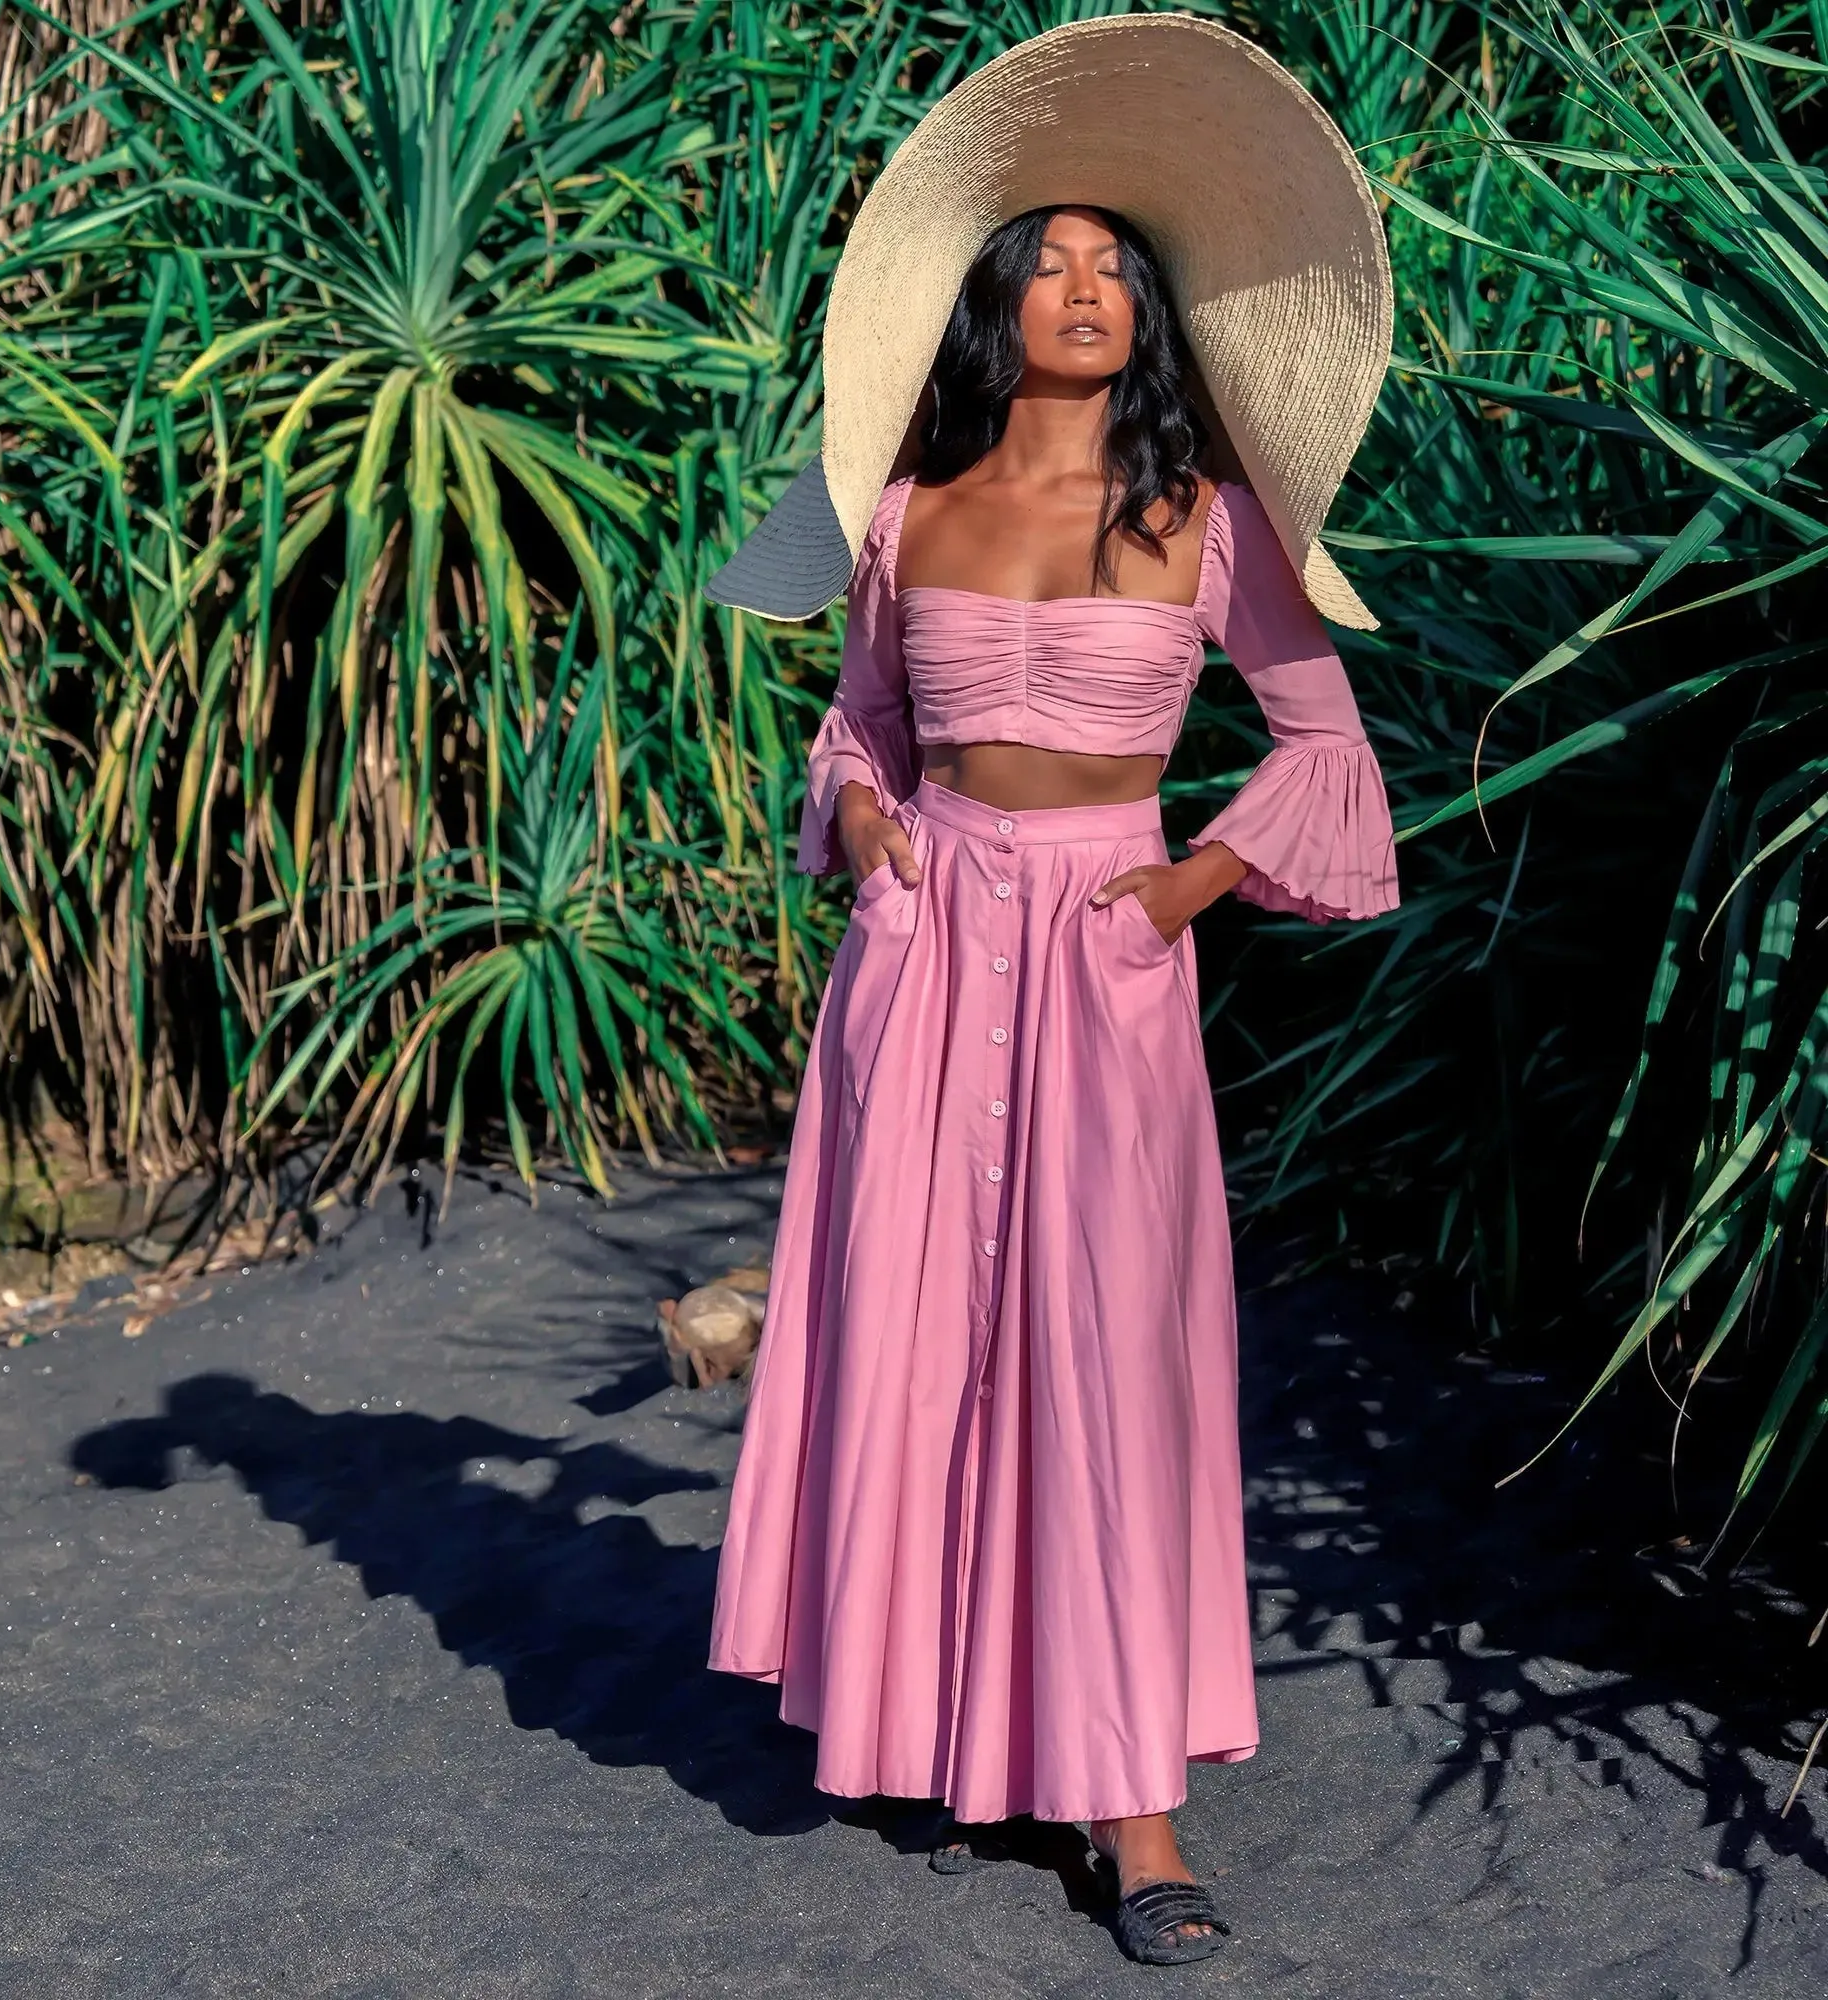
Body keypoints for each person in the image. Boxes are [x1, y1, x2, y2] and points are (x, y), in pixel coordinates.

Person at [704, 17, 1398, 1969]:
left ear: (1147, 313)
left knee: (1099, 1353)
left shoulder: (1210, 517)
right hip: (918, 959)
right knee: (926, 1333)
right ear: (992, 306)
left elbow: (1326, 742)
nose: (1087, 288)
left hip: (1102, 952)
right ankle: (945, 1712)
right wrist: (857, 833)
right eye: (1051, 262)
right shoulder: (907, 509)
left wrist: (1176, 890)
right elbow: (852, 726)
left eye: (1117, 266)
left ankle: (1139, 1811)